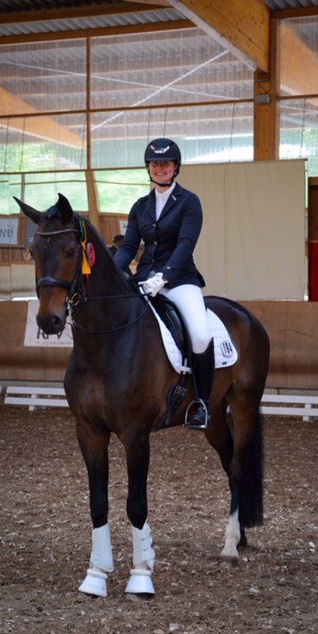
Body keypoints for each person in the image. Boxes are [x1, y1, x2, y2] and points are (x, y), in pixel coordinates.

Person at [114, 138, 214, 429]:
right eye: (155, 164)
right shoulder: (140, 206)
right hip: (144, 280)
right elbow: (128, 248)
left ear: (175, 167)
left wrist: (165, 276)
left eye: (165, 163)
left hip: (180, 280)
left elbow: (186, 244)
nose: (160, 168)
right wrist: (107, 271)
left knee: (199, 334)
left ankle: (202, 404)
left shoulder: (189, 201)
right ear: (148, 168)